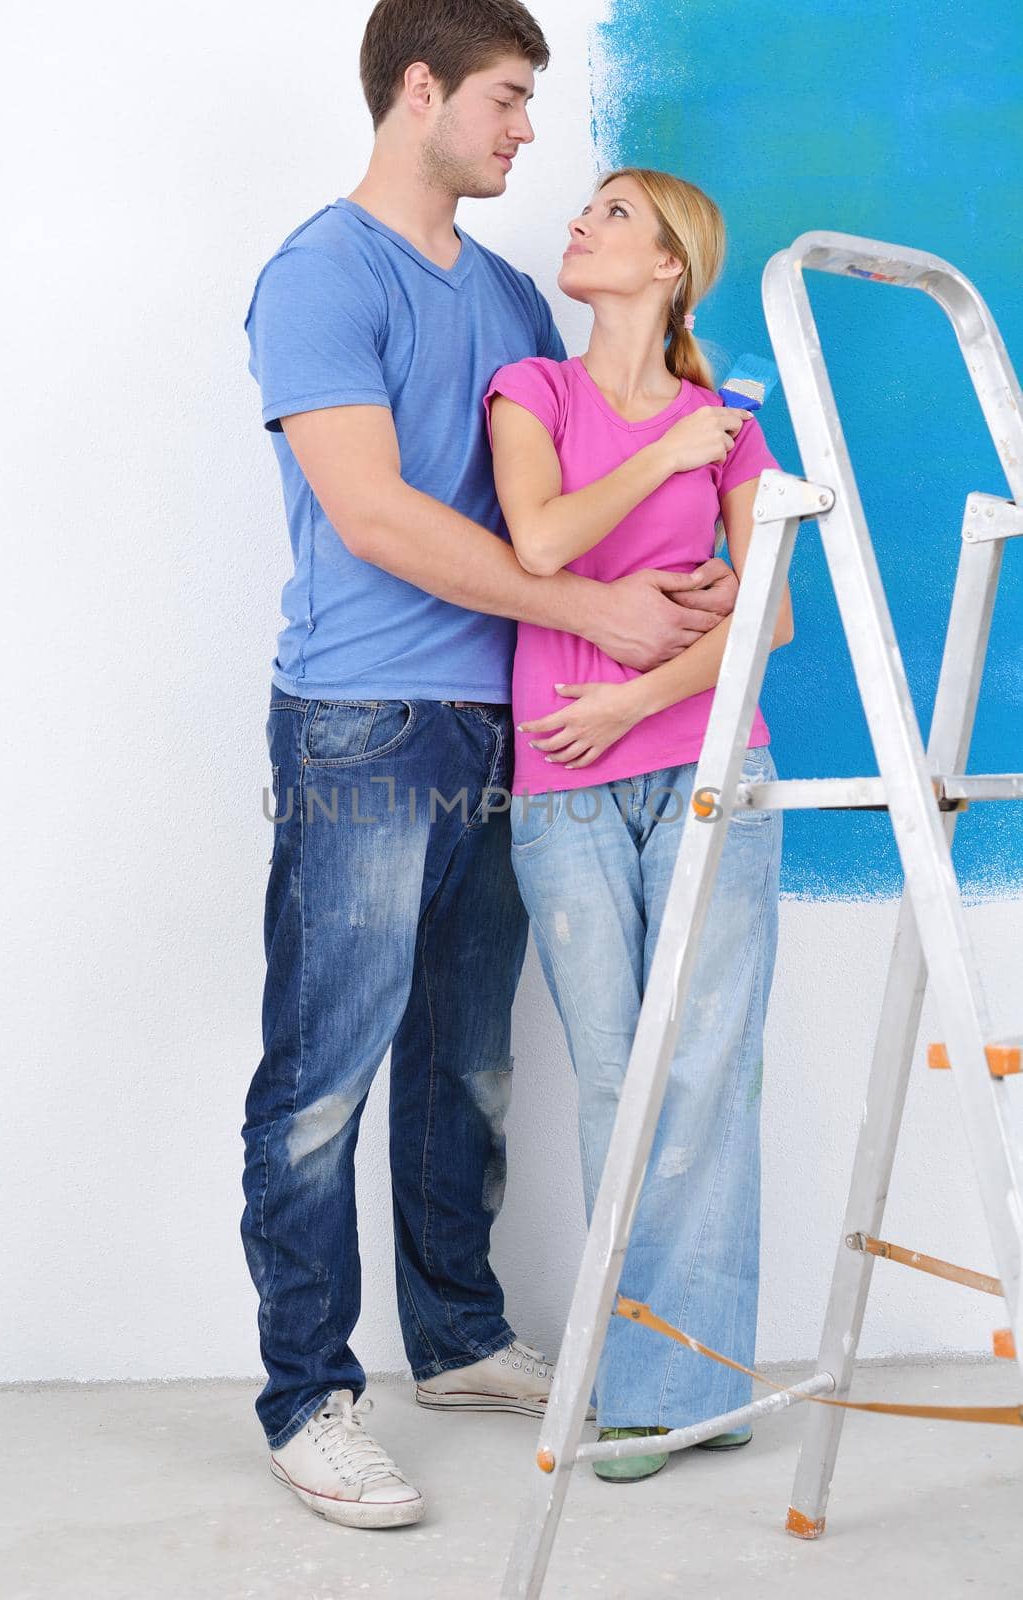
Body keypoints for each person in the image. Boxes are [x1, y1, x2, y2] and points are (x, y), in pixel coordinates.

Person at [239, 3, 741, 1530]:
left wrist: (694, 588)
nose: (530, 133)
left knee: (467, 1057)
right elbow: (378, 517)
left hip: (514, 722)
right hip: (365, 724)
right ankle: (308, 1396)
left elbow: (577, 477)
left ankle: (454, 1337)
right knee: (325, 1076)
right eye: (510, 99)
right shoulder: (321, 275)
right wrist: (589, 603)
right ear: (421, 88)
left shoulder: (516, 296)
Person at [484, 166, 792, 1483]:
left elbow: (765, 618)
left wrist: (641, 699)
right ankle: (630, 1370)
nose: (581, 224)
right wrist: (665, 454)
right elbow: (542, 544)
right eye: (585, 209)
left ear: (670, 263)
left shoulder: (732, 423)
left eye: (614, 214)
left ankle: (677, 1394)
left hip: (713, 763)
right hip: (563, 783)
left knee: (710, 1067)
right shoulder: (530, 393)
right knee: (616, 1070)